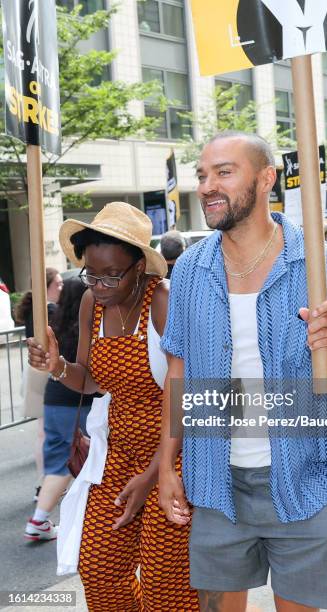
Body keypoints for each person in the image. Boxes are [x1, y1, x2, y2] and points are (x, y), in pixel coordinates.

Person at [158, 132, 327, 612]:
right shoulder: (190, 270)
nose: (206, 186)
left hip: (311, 481)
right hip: (216, 484)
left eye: (224, 172)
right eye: (202, 174)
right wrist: (166, 465)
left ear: (265, 179)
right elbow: (179, 372)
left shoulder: (323, 266)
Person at [28, 202, 198, 611]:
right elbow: (90, 379)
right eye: (92, 274)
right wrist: (57, 366)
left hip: (174, 453)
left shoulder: (162, 302)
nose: (100, 285)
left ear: (140, 266)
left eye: (111, 275)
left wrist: (154, 472)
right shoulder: (92, 302)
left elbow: (190, 397)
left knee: (165, 584)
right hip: (118, 453)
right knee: (100, 567)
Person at [25, 278, 95, 541]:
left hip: (53, 399)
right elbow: (90, 377)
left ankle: (39, 517)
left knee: (58, 460)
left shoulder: (53, 324)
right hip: (79, 403)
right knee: (91, 460)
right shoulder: (85, 328)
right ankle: (48, 518)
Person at [15, 267, 63, 501]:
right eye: (58, 283)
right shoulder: (49, 310)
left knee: (44, 432)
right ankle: (45, 484)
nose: (61, 287)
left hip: (35, 373)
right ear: (48, 286)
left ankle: (44, 483)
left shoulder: (34, 308)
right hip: (45, 374)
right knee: (48, 433)